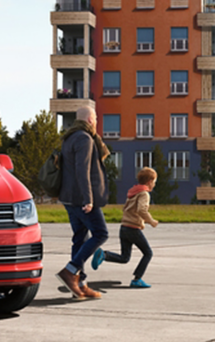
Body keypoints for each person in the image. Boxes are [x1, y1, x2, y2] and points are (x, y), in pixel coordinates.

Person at [55, 106, 110, 299]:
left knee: (80, 238)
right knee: (101, 233)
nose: (97, 122)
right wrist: (88, 199)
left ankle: (79, 284)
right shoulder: (85, 139)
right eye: (95, 118)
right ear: (89, 120)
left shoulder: (69, 138)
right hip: (81, 199)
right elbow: (82, 170)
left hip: (69, 198)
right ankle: (70, 271)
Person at [91, 167, 158, 288]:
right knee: (148, 253)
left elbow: (127, 209)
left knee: (124, 258)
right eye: (154, 182)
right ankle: (137, 279)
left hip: (124, 228)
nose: (154, 184)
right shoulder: (144, 194)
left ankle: (104, 255)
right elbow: (141, 209)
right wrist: (151, 221)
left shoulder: (133, 192)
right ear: (149, 181)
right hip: (133, 229)